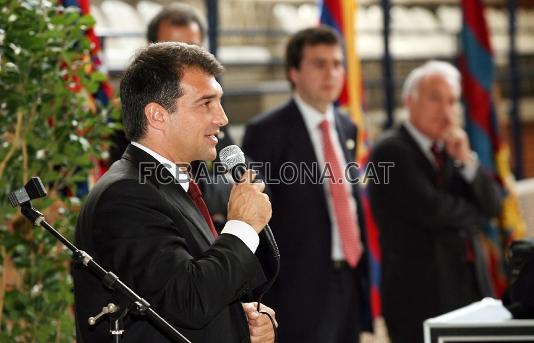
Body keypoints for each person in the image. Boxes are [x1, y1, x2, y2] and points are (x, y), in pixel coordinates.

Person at [73, 42, 276, 343]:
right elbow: (188, 300)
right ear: (157, 116)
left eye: (219, 102)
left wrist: (239, 322)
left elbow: (177, 297)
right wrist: (242, 225)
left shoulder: (170, 184)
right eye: (206, 103)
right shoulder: (125, 195)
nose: (222, 118)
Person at [242, 26, 371, 343]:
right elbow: (259, 217)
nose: (332, 73)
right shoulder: (267, 131)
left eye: (337, 63)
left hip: (349, 279)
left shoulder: (346, 125)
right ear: (294, 73)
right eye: (319, 63)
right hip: (299, 290)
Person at [368, 61, 503, 343]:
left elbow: (493, 206)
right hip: (420, 300)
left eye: (452, 101)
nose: (446, 110)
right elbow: (434, 212)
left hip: (470, 289)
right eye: (435, 98)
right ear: (409, 100)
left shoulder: (452, 148)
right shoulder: (390, 150)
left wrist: (467, 161)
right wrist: (475, 214)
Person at [109, 3, 234, 230]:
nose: (187, 55)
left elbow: (248, 175)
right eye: (174, 47)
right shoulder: (126, 118)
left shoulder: (208, 113)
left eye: (193, 47)